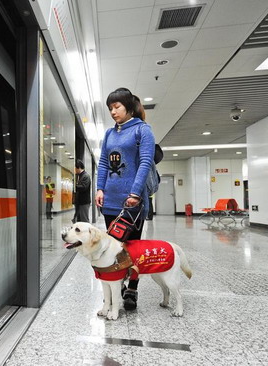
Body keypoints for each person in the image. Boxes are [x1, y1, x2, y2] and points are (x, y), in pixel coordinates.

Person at [95, 88, 155, 311]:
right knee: (113, 248)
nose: (113, 111)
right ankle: (115, 285)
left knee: (133, 248)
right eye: (110, 108)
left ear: (129, 107)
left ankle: (132, 288)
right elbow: (103, 163)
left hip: (133, 202)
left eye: (117, 106)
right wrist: (100, 189)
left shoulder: (142, 130)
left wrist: (135, 193)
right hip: (110, 200)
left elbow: (145, 162)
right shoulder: (110, 134)